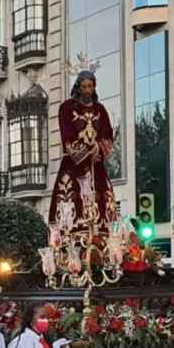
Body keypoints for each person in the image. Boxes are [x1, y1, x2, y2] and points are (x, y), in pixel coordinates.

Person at [48, 67, 118, 231]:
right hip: (74, 165)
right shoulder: (67, 108)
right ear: (78, 87)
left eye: (90, 86)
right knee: (71, 201)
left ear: (94, 87)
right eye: (84, 86)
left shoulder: (100, 110)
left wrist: (98, 150)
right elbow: (67, 134)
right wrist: (87, 153)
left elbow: (108, 134)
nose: (87, 90)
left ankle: (102, 237)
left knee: (103, 203)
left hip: (97, 164)